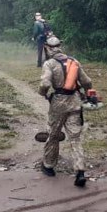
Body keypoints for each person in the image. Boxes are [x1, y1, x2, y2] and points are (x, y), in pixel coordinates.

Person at [38, 35, 94, 187]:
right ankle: (80, 170)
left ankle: (49, 166)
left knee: (54, 135)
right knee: (75, 138)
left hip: (58, 105)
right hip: (75, 102)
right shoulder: (73, 61)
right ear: (60, 46)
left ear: (48, 48)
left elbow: (44, 83)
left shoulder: (49, 64)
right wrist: (88, 93)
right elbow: (87, 82)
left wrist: (43, 93)